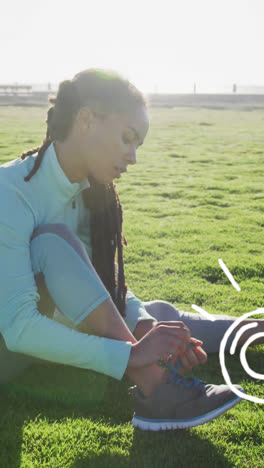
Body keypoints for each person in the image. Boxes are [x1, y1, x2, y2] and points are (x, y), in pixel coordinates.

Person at [0, 68, 260, 432]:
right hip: (8, 346)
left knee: (160, 317)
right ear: (86, 120)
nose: (133, 157)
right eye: (127, 138)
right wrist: (133, 352)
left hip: (47, 324)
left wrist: (149, 330)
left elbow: (103, 288)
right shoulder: (9, 190)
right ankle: (157, 387)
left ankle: (255, 331)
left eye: (138, 144)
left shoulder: (91, 193)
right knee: (52, 242)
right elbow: (17, 327)